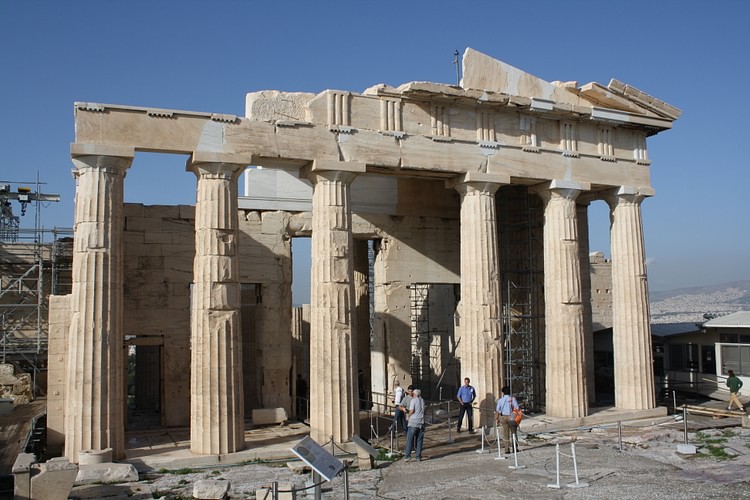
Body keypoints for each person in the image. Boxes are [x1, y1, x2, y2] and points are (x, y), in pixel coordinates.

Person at [404, 388, 427, 462]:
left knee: (409, 439)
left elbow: (412, 411)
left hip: (413, 422)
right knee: (419, 440)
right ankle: (418, 456)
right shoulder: (422, 400)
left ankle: (407, 456)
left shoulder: (413, 400)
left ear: (415, 394)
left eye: (413, 394)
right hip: (421, 421)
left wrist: (408, 416)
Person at [495, 386, 519, 454]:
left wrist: (497, 418)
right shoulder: (512, 399)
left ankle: (507, 449)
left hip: (503, 417)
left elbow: (497, 410)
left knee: (506, 433)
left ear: (503, 392)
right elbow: (517, 408)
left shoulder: (500, 400)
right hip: (511, 416)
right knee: (514, 433)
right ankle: (515, 448)